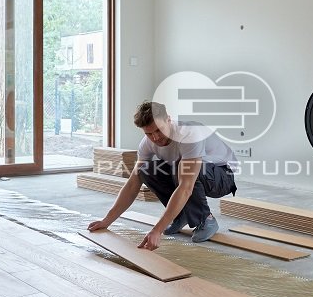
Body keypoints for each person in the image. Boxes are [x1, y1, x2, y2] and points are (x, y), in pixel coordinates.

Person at [88, 100, 238, 250]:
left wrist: (157, 230)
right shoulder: (147, 144)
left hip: (222, 176)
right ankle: (182, 215)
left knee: (183, 168)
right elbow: (133, 184)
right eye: (149, 133)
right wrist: (107, 220)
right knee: (144, 170)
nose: (155, 138)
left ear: (168, 120)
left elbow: (186, 187)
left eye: (159, 130)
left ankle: (205, 219)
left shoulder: (189, 134)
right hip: (192, 172)